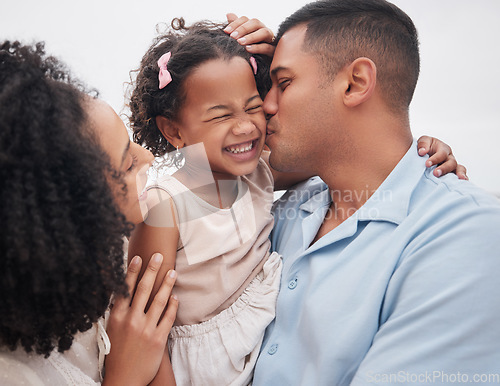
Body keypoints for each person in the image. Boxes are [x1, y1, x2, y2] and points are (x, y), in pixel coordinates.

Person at [127, 16, 464, 386]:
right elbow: (142, 321)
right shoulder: (166, 201)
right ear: (173, 130)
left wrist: (422, 154)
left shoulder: (258, 173)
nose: (248, 125)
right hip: (191, 368)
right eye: (221, 115)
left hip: (249, 351)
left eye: (253, 104)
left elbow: (349, 156)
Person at [225, 1, 500, 385]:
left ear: (355, 83)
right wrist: (233, 70)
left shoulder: (467, 234)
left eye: (283, 83)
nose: (266, 106)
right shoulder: (283, 210)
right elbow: (161, 180)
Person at [0, 41, 178, 385]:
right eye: (127, 163)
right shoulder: (15, 373)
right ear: (72, 210)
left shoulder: (115, 241)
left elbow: (232, 177)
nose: (149, 158)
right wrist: (125, 377)